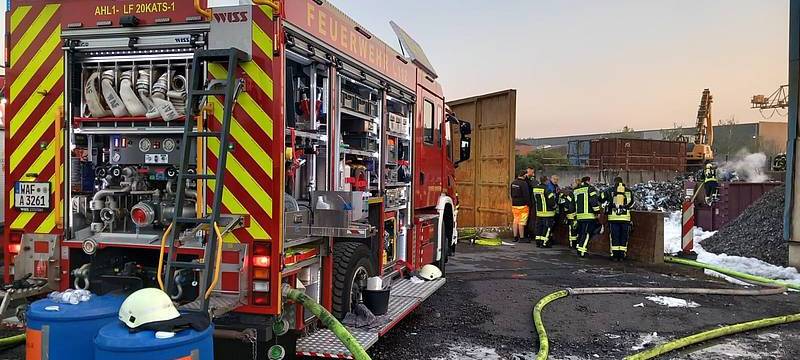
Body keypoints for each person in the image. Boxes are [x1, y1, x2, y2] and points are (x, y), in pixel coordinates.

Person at [606, 177, 634, 261]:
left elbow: (606, 202)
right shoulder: (628, 191)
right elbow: (632, 203)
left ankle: (614, 255)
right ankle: (622, 255)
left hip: (613, 218)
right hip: (625, 218)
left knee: (614, 236)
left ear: (614, 182)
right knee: (624, 237)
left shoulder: (610, 190)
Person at [574, 176, 602, 257]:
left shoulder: (577, 190)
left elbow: (573, 203)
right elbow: (593, 201)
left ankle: (579, 249)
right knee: (587, 234)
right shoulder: (590, 188)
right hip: (588, 216)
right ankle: (582, 251)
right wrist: (597, 212)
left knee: (581, 233)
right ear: (588, 181)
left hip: (579, 216)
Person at [533, 176, 557, 248]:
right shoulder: (547, 189)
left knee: (539, 227)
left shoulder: (535, 189)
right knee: (547, 228)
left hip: (539, 212)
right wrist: (554, 206)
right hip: (548, 212)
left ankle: (538, 242)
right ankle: (544, 243)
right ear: (546, 181)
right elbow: (551, 201)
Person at [510, 172, 532, 243]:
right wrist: (529, 204)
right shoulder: (524, 183)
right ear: (524, 175)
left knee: (515, 220)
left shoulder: (513, 183)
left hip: (514, 204)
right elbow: (526, 195)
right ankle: (522, 238)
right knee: (522, 221)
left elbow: (511, 194)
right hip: (523, 205)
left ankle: (515, 237)